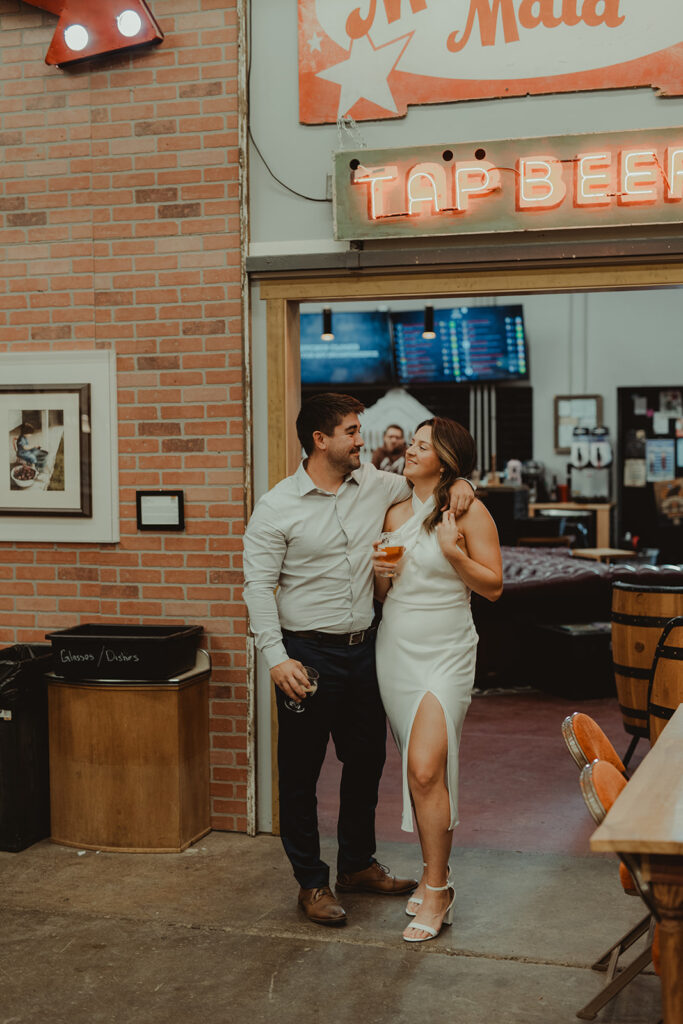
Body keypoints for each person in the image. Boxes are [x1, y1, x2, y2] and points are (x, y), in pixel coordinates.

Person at [242, 394, 475, 927]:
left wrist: (463, 483)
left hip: (366, 649)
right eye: (351, 431)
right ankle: (311, 881)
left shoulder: (378, 483)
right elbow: (257, 586)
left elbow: (431, 484)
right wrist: (276, 659)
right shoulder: (276, 506)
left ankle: (355, 864)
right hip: (305, 654)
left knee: (366, 763)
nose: (360, 440)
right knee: (300, 774)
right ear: (321, 440)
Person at [373, 417, 502, 942]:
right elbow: (384, 596)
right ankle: (435, 878)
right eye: (412, 443)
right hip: (396, 649)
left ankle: (437, 886)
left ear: (446, 459)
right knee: (415, 770)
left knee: (427, 770)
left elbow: (492, 586)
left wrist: (453, 552)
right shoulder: (394, 509)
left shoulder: (467, 510)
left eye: (422, 446)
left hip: (447, 651)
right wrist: (382, 579)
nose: (410, 450)